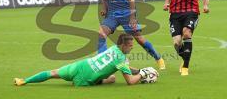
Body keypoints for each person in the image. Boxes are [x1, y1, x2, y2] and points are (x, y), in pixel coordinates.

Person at [97, 0, 165, 70]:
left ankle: (158, 58)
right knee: (101, 34)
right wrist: (104, 8)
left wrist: (132, 17)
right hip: (112, 15)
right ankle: (102, 63)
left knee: (140, 39)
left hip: (126, 14)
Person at [14, 34, 156, 86]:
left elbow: (122, 65)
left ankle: (24, 81)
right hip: (85, 78)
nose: (132, 48)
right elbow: (130, 81)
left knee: (52, 73)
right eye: (130, 46)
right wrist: (143, 74)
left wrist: (137, 70)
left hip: (80, 65)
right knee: (111, 78)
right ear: (123, 45)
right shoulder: (121, 59)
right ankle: (84, 82)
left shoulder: (113, 48)